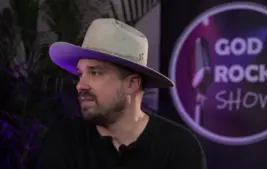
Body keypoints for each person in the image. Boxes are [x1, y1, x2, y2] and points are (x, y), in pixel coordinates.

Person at [37, 18, 206, 169]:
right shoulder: (63, 142)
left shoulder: (180, 148)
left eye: (95, 72)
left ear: (132, 84)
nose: (80, 85)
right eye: (80, 74)